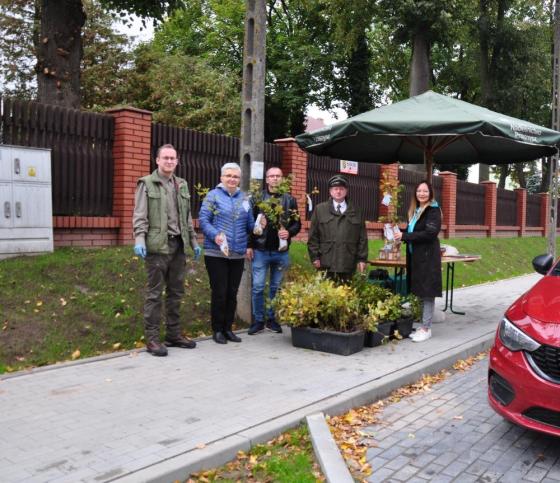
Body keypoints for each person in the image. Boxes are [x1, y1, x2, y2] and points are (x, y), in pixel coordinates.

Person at [132, 144, 202, 357]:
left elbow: (186, 217)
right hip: (157, 246)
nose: (170, 161)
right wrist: (139, 239)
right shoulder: (147, 183)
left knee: (176, 292)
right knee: (154, 294)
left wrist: (194, 242)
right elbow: (140, 215)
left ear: (177, 161)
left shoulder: (181, 184)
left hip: (179, 246)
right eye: (166, 158)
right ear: (157, 160)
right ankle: (152, 339)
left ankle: (173, 334)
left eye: (173, 158)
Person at [199, 162, 255, 344]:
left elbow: (249, 225)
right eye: (229, 176)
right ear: (221, 177)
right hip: (216, 253)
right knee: (220, 292)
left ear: (239, 179)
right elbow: (204, 220)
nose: (232, 179)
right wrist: (215, 235)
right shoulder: (212, 196)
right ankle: (217, 330)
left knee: (232, 292)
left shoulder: (245, 199)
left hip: (237, 253)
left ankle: (228, 329)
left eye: (235, 176)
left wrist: (258, 225)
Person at [248, 167, 301, 335]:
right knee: (257, 287)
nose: (275, 178)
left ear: (282, 179)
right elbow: (249, 223)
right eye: (272, 176)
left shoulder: (290, 200)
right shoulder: (257, 198)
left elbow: (297, 223)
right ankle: (258, 321)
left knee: (276, 287)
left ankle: (272, 320)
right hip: (260, 250)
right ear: (267, 179)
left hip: (281, 251)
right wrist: (249, 245)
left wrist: (289, 232)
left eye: (278, 176)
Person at [394, 180, 442, 342]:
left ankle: (426, 329)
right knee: (421, 292)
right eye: (419, 191)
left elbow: (430, 233)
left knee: (427, 293)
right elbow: (413, 230)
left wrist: (405, 236)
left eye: (425, 191)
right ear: (415, 193)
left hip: (427, 258)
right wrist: (399, 232)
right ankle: (423, 326)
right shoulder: (416, 210)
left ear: (430, 193)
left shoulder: (433, 210)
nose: (422, 193)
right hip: (417, 258)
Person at [307, 174, 368, 282]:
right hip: (326, 261)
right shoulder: (320, 209)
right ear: (330, 191)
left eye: (341, 189)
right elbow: (313, 236)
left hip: (348, 261)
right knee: (326, 291)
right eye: (335, 189)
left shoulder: (356, 211)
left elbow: (362, 238)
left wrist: (362, 259)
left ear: (346, 191)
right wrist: (314, 257)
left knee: (347, 290)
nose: (338, 192)